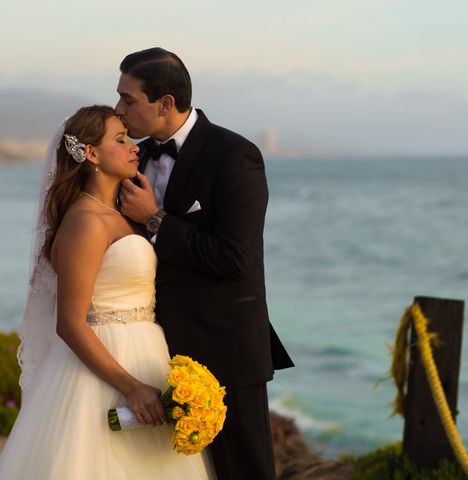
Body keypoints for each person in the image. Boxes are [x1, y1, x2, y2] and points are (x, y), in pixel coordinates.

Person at [0, 106, 213, 479]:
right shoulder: (85, 221)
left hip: (148, 353)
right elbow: (69, 322)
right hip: (105, 370)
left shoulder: (120, 216)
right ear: (92, 154)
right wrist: (130, 387)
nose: (134, 147)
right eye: (120, 139)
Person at [115, 47, 294, 480]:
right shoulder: (129, 158)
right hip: (151, 352)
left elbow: (235, 258)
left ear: (165, 104)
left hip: (225, 352)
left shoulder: (235, 155)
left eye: (128, 99)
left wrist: (154, 219)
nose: (119, 111)